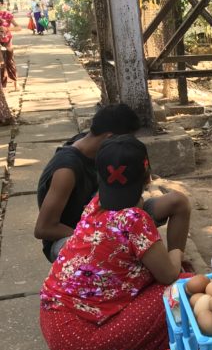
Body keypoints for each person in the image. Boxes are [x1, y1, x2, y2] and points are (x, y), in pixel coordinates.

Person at [39, 135, 184, 350]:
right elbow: (168, 275)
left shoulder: (94, 205)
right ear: (147, 175)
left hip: (54, 321)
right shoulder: (135, 219)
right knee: (184, 288)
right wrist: (177, 254)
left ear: (100, 176)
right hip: (80, 340)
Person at [35, 103, 191, 263]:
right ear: (110, 137)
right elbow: (44, 228)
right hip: (75, 235)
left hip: (115, 219)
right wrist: (98, 234)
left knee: (177, 202)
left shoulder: (99, 146)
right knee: (120, 251)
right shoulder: (66, 170)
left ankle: (176, 262)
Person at [0, 0, 22, 92]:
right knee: (1, 63)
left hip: (7, 41)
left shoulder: (7, 15)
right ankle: (3, 86)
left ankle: (15, 82)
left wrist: (7, 29)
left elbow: (19, 27)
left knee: (10, 62)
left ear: (1, 4)